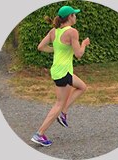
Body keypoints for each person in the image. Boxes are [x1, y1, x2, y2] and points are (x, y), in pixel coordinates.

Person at [31, 5, 90, 146]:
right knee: (58, 103)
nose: (76, 17)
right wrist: (84, 44)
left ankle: (63, 112)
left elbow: (40, 47)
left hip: (59, 71)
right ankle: (39, 134)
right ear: (70, 17)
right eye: (74, 15)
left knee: (82, 87)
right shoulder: (72, 32)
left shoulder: (54, 31)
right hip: (63, 72)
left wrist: (56, 49)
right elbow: (79, 54)